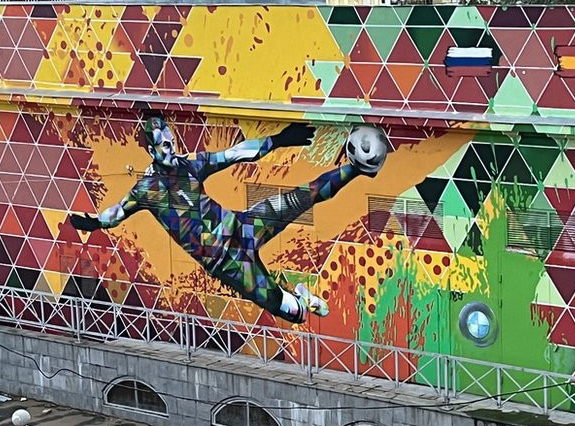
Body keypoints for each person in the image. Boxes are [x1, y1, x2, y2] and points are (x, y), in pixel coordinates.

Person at [69, 116, 388, 324]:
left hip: (243, 228)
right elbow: (117, 212)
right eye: (164, 144)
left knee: (303, 197)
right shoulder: (145, 190)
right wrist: (96, 223)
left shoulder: (190, 166)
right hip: (229, 264)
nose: (171, 147)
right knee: (292, 314)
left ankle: (357, 168)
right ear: (151, 150)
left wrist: (276, 140)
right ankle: (302, 299)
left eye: (171, 141)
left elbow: (235, 153)